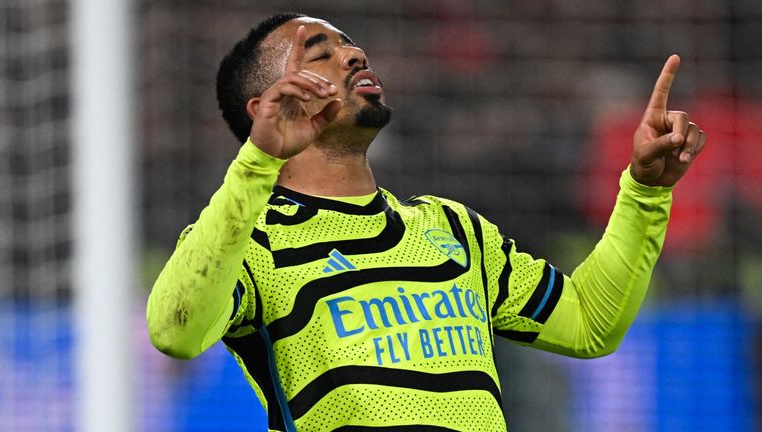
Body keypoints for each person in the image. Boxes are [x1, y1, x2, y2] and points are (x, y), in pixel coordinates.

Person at [146, 12, 707, 432]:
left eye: (350, 44)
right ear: (267, 104)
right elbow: (176, 331)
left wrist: (645, 193)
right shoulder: (253, 239)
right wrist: (258, 163)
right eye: (320, 53)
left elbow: (589, 323)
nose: (354, 55)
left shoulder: (451, 228)